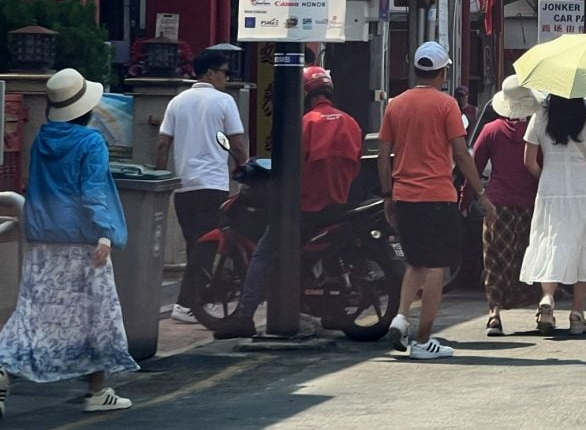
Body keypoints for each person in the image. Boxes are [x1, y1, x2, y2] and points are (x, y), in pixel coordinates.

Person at [0, 69, 137, 415]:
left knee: (34, 310)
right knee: (97, 314)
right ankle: (97, 390)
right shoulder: (91, 142)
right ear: (86, 109)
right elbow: (92, 191)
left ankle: (3, 367)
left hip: (43, 239)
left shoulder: (42, 139)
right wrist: (104, 232)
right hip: (83, 241)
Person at [215, 67, 363, 339]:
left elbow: (290, 168)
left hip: (304, 207)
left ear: (305, 93)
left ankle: (245, 316)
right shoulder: (350, 122)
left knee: (263, 253)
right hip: (338, 204)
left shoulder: (306, 123)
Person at [379, 42, 495, 360]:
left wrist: (388, 194)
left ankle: (401, 317)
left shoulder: (395, 105)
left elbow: (383, 154)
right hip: (437, 196)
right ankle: (422, 340)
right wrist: (481, 193)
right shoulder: (447, 106)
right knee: (436, 269)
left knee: (415, 263)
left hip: (404, 196)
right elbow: (461, 154)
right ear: (442, 73)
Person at [156, 50, 248, 324]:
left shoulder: (177, 102)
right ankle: (187, 304)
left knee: (195, 245)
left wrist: (161, 177)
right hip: (212, 185)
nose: (226, 78)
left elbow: (162, 143)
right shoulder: (224, 101)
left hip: (184, 187)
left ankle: (197, 301)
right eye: (224, 72)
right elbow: (237, 143)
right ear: (210, 73)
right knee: (207, 246)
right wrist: (245, 168)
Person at [522, 96, 586, 336]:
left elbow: (529, 161)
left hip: (551, 187)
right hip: (584, 189)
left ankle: (547, 299)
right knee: (585, 245)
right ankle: (577, 313)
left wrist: (546, 177)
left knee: (550, 240)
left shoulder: (539, 118)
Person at [469, 76, 542, 336]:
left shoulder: (491, 130)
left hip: (497, 205)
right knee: (530, 258)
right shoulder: (536, 132)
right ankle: (542, 310)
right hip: (531, 205)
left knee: (495, 260)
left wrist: (466, 198)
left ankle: (494, 314)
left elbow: (474, 167)